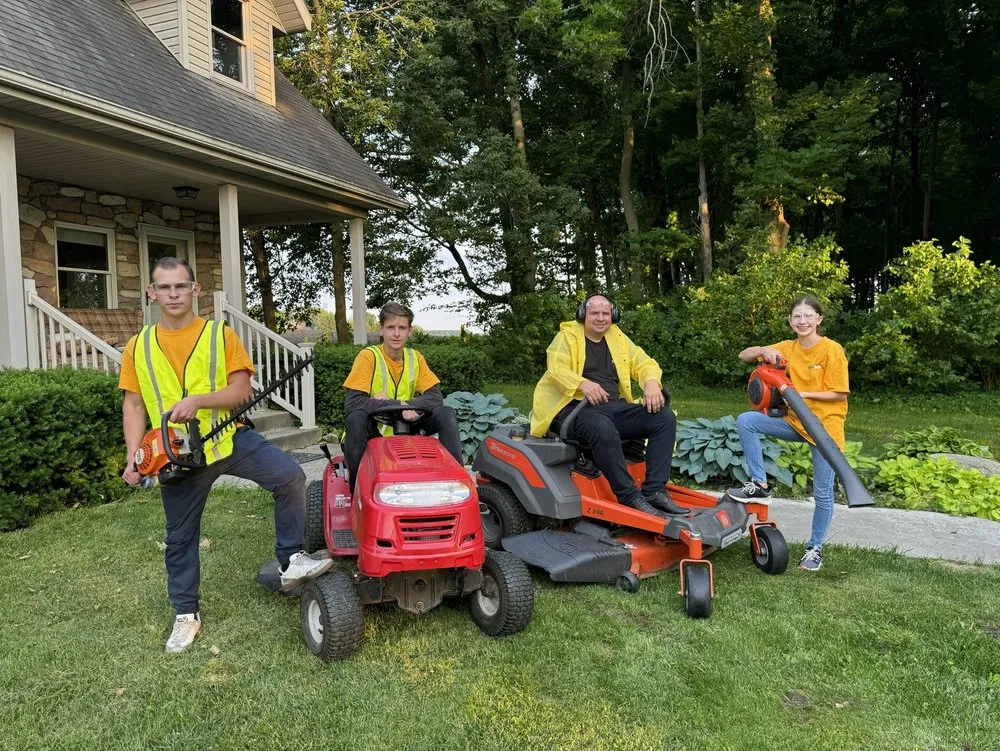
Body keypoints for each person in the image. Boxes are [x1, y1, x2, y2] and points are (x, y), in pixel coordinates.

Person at [120, 257, 333, 653]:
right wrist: (135, 455)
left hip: (228, 440)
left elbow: (241, 392)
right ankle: (186, 615)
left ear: (195, 289)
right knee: (180, 538)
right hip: (175, 455)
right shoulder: (138, 346)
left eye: (180, 286)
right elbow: (133, 405)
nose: (173, 294)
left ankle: (291, 561)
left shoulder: (220, 334)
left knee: (289, 476)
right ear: (151, 293)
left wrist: (199, 401)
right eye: (164, 287)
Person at [530, 293, 684, 517]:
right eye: (594, 313)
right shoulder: (566, 337)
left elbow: (644, 362)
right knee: (601, 426)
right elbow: (556, 369)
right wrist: (583, 384)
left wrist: (651, 383)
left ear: (613, 315)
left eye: (605, 313)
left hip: (611, 408)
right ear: (583, 314)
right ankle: (629, 495)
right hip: (571, 410)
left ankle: (654, 491)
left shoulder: (617, 338)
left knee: (663, 417)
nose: (601, 318)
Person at [727, 294, 850, 572]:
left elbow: (838, 392)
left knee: (822, 494)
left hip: (823, 430)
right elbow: (743, 355)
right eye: (797, 316)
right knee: (747, 420)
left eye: (808, 315)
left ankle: (814, 548)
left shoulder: (832, 350)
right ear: (790, 321)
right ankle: (759, 483)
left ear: (819, 319)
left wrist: (795, 393)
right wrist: (764, 350)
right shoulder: (786, 347)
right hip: (795, 423)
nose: (802, 320)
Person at [342, 302, 463, 490]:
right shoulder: (368, 357)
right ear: (381, 330)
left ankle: (457, 482)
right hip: (375, 431)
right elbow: (353, 402)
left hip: (409, 427)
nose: (396, 334)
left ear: (410, 331)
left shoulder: (415, 357)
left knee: (445, 412)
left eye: (402, 328)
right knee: (356, 417)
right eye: (391, 327)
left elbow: (435, 397)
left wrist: (407, 405)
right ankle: (357, 492)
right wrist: (395, 404)